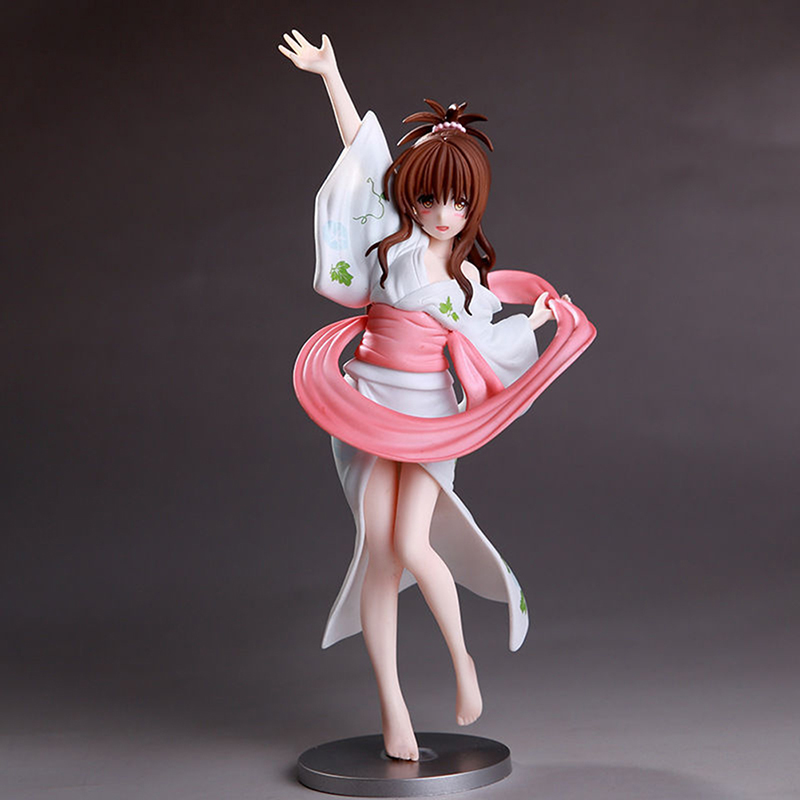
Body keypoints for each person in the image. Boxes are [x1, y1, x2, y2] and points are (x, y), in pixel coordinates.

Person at [280, 30, 595, 761]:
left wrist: (536, 324)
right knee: (378, 554)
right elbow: (361, 154)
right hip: (368, 403)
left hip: (427, 418)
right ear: (412, 197)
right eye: (430, 197)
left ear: (472, 203)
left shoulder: (468, 281)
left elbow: (487, 340)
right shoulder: (391, 244)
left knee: (412, 543)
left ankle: (462, 660)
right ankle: (393, 708)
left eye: (457, 200)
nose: (443, 212)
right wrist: (330, 74)